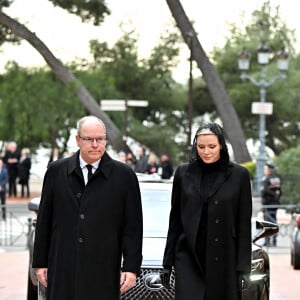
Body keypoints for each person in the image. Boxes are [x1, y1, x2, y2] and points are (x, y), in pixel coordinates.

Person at [32, 115, 143, 300]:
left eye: (100, 139)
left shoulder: (124, 176)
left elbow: (133, 226)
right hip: (63, 266)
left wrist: (131, 268)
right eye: (89, 139)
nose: (95, 144)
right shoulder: (56, 171)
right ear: (77, 140)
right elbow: (45, 219)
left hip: (104, 268)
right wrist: (40, 262)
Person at [161, 123, 252, 300]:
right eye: (201, 147)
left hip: (224, 259)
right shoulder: (182, 173)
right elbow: (175, 221)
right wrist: (168, 262)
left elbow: (243, 224)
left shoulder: (239, 175)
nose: (206, 152)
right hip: (188, 257)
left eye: (212, 146)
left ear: (221, 146)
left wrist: (243, 268)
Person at [261, 163, 281, 246]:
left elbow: (264, 191)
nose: (264, 171)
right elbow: (280, 191)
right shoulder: (277, 179)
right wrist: (276, 195)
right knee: (273, 220)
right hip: (275, 203)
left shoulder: (266, 179)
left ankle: (267, 240)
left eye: (265, 169)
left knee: (267, 222)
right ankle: (274, 240)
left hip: (267, 203)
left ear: (269, 170)